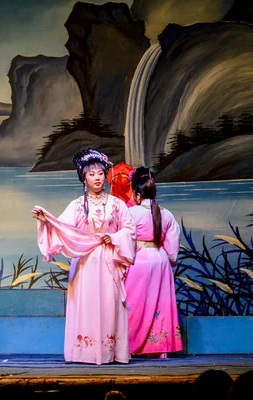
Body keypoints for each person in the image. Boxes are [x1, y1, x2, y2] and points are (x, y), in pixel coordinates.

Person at [32, 147, 136, 365]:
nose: (97, 178)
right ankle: (86, 352)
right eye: (92, 174)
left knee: (109, 304)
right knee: (87, 305)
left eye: (100, 173)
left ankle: (110, 351)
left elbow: (129, 229)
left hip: (108, 260)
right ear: (84, 178)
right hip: (85, 262)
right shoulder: (78, 205)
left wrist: (115, 237)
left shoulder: (116, 204)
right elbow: (63, 228)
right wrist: (46, 219)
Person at [124, 167, 183, 358]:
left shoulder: (132, 213)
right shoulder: (167, 214)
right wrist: (168, 260)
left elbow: (124, 241)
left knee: (133, 304)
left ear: (137, 193)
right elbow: (173, 248)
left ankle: (132, 345)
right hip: (161, 259)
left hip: (139, 260)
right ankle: (159, 349)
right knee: (160, 305)